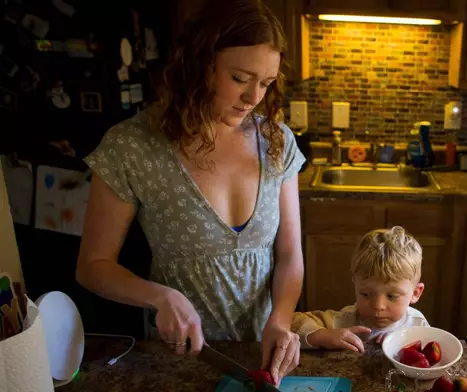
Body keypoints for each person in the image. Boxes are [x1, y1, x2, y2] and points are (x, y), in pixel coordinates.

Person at [76, 0, 305, 384]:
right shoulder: (132, 146)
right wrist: (160, 297)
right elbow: (92, 267)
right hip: (180, 358)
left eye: (266, 83)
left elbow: (289, 253)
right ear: (200, 64)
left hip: (263, 355)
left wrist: (280, 320)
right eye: (239, 78)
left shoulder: (276, 140)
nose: (253, 98)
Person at [291, 226, 429, 353]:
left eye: (392, 296)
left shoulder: (418, 325)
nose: (378, 306)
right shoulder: (343, 320)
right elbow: (292, 321)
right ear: (355, 285)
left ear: (415, 293)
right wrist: (321, 335)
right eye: (365, 294)